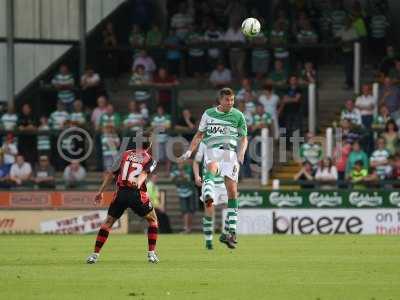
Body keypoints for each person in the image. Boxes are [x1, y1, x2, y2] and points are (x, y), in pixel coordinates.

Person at [180, 87, 248, 249]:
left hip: (230, 154)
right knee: (212, 167)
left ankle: (230, 232)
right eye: (227, 100)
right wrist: (189, 151)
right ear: (220, 100)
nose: (230, 103)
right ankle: (208, 191)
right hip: (213, 150)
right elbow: (199, 135)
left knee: (233, 192)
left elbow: (244, 138)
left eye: (232, 100)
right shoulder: (208, 114)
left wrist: (242, 153)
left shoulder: (238, 116)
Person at [86, 136, 159, 264]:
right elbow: (144, 174)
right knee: (153, 221)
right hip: (136, 194)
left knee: (108, 222)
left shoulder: (124, 154)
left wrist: (100, 192)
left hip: (121, 194)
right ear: (149, 145)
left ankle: (94, 255)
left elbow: (111, 174)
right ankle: (151, 254)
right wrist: (137, 182)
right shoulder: (150, 160)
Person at [193, 142, 231, 250]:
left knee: (232, 207)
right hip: (210, 183)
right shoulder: (205, 142)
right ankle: (208, 241)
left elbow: (229, 163)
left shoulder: (227, 141)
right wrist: (196, 176)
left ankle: (225, 233)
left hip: (223, 183)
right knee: (209, 211)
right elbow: (196, 162)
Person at [170, 161, 196, 234]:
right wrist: (179, 176)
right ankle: (186, 228)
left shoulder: (188, 168)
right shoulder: (174, 168)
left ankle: (189, 228)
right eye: (179, 162)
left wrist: (181, 174)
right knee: (184, 211)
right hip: (181, 192)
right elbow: (172, 178)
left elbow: (187, 178)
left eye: (181, 162)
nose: (180, 164)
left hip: (190, 191)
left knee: (190, 211)